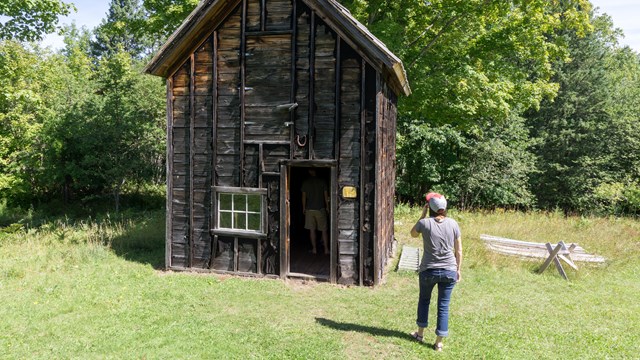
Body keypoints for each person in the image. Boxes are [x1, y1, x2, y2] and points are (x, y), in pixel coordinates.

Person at [409, 192, 462, 351]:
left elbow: (412, 234)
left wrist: (423, 214)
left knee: (424, 301)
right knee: (443, 306)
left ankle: (419, 334)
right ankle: (438, 343)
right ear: (445, 208)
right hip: (449, 270)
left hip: (428, 270)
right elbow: (459, 251)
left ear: (429, 208)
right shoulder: (453, 224)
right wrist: (458, 269)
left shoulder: (424, 223)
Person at [301, 168, 330, 255]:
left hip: (310, 209)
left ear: (309, 171)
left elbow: (303, 197)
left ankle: (314, 249)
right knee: (324, 230)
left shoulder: (305, 183)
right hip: (320, 209)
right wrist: (327, 207)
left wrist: (303, 208)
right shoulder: (322, 182)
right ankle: (326, 250)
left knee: (312, 230)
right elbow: (326, 196)